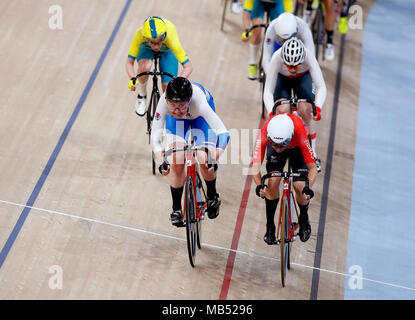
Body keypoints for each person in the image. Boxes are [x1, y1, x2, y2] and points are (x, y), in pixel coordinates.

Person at [151, 77, 230, 227]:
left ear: (188, 100)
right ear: (167, 101)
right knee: (176, 157)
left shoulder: (200, 102)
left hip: (201, 119)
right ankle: (176, 210)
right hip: (178, 122)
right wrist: (162, 161)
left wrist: (214, 156)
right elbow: (155, 137)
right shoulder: (163, 102)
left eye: (181, 105)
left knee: (203, 158)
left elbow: (224, 134)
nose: (176, 110)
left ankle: (212, 195)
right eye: (172, 105)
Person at [252, 113, 318, 243]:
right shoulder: (266, 131)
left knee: (299, 186)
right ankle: (270, 226)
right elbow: (255, 165)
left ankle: (304, 217)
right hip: (285, 143)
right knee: (273, 181)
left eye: (281, 145)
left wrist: (307, 187)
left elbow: (313, 167)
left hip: (297, 149)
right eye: (273, 144)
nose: (277, 149)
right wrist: (260, 185)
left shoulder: (299, 133)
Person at [263, 37, 326, 172]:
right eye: (289, 65)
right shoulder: (277, 57)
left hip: (303, 77)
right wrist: (271, 112)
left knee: (306, 108)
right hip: (282, 78)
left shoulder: (308, 56)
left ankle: (313, 152)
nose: (292, 69)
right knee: (282, 108)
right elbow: (267, 91)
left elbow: (321, 87)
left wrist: (318, 107)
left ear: (302, 60)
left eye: (296, 65)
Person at [126, 16, 193, 116]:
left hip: (167, 51)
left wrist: (177, 84)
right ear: (145, 38)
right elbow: (129, 62)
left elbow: (188, 66)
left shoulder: (170, 35)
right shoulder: (139, 34)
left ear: (164, 36)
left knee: (167, 86)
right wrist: (133, 78)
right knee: (145, 67)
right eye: (152, 42)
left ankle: (165, 105)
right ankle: (142, 96)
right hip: (146, 49)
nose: (156, 47)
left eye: (159, 42)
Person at [241, 0, 287, 80]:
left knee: (280, 31)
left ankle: (275, 60)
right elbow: (247, 11)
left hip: (277, 3)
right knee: (256, 28)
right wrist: (247, 31)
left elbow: (289, 15)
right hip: (259, 2)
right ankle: (253, 63)